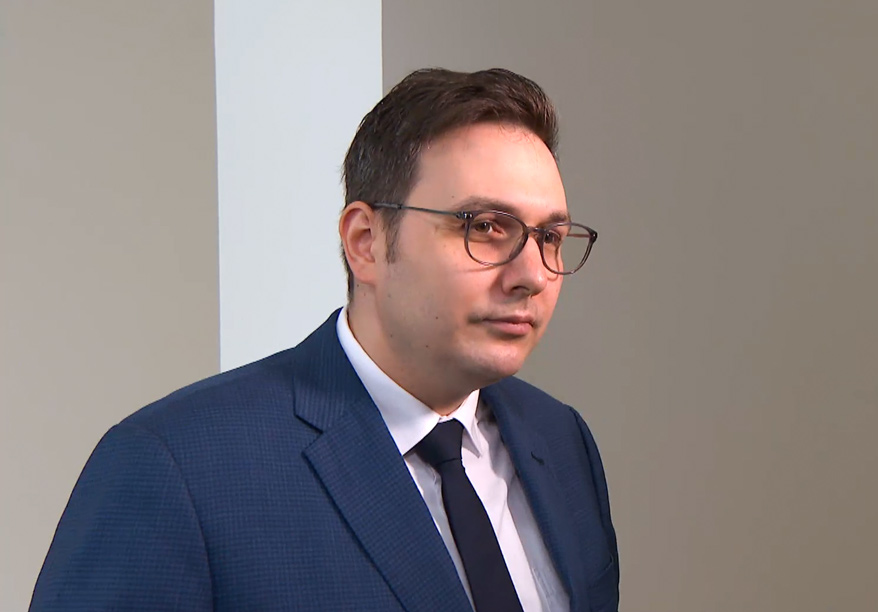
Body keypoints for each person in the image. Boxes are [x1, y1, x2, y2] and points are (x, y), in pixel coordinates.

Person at [30, 68, 618, 612]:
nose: (533, 274)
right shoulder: (176, 467)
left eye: (551, 236)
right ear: (365, 241)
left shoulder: (560, 440)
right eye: (486, 227)